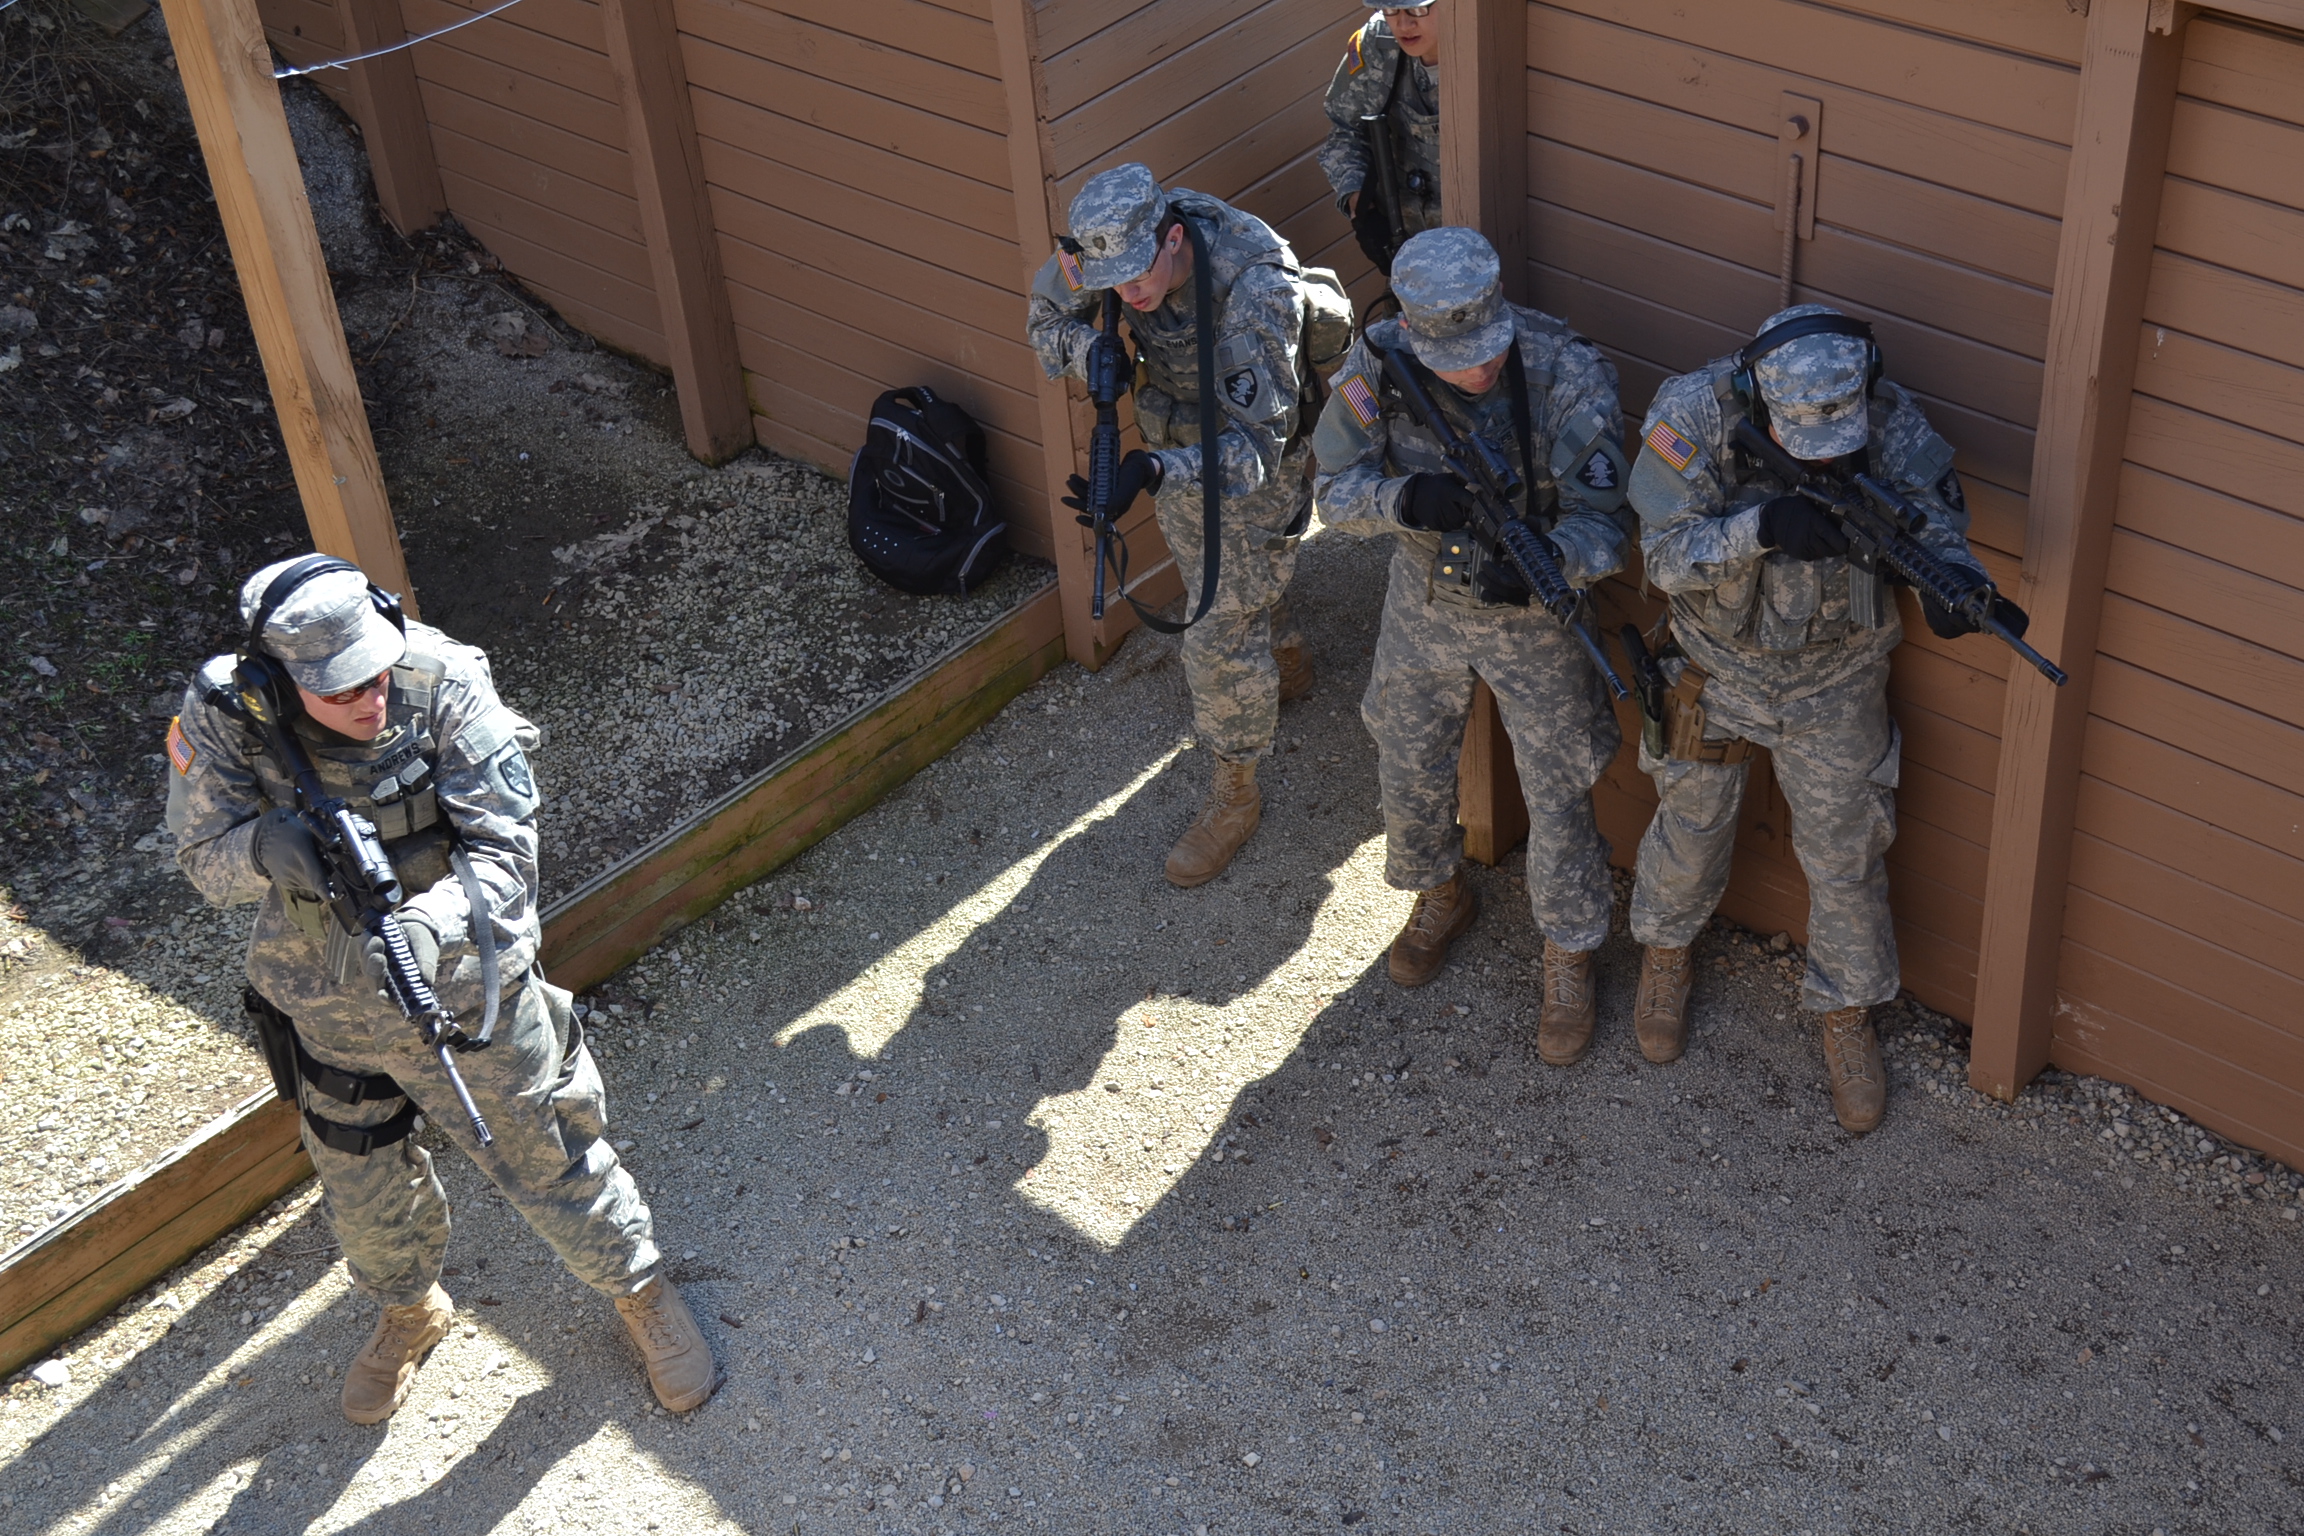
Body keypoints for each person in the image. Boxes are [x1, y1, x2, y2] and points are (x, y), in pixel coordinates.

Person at [166, 556, 716, 1423]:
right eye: (339, 687)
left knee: (547, 1151)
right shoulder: (230, 711)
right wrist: (266, 849)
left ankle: (641, 1293)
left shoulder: (444, 681)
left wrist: (432, 927)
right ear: (278, 676)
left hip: (465, 988)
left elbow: (507, 852)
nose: (367, 696)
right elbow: (203, 860)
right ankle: (409, 1310)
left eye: (375, 672)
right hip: (326, 1002)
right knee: (361, 1187)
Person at [1623, 304, 2026, 1133]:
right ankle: (1664, 956)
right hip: (1716, 668)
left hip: (1838, 680)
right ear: (1756, 395)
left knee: (1847, 856)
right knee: (1691, 828)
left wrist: (1957, 586)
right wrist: (1760, 527)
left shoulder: (1891, 421)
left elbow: (1937, 524)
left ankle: (1846, 1015)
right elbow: (1662, 556)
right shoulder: (1695, 412)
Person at [1310, 227, 1633, 1063]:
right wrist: (1405, 502)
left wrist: (1549, 566)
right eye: (1458, 358)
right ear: (1415, 333)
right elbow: (1333, 496)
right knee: (1405, 757)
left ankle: (1570, 950)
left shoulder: (1567, 374)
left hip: (1537, 614)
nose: (1480, 370)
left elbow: (1610, 527)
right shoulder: (1376, 367)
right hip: (1423, 595)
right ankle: (1438, 893)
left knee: (1558, 782)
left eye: (1489, 350)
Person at [1026, 162, 1323, 888]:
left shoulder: (1257, 289)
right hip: (1179, 433)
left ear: (1174, 237)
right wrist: (1091, 352)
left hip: (1258, 454)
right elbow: (1042, 317)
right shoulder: (1104, 249)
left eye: (1138, 275)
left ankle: (1234, 796)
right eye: (1112, 279)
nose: (1128, 293)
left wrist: (1156, 474)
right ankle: (1282, 653)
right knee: (1228, 587)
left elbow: (1257, 451)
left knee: (1217, 631)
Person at [1320, 2, 1445, 273]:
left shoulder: (1483, 52)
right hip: (1406, 251)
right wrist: (1362, 207)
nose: (1403, 24)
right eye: (1391, 10)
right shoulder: (1375, 44)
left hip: (1476, 251)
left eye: (1417, 10)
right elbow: (1345, 133)